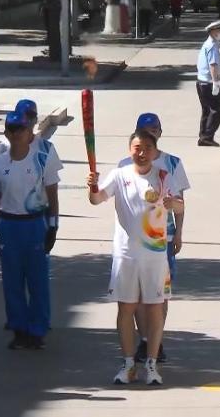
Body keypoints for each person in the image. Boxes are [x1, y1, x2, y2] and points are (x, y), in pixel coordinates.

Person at [87, 130, 184, 386]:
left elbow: (180, 205)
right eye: (137, 147)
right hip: (126, 255)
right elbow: (97, 200)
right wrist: (92, 185)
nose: (142, 153)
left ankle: (151, 365)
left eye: (147, 148)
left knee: (154, 310)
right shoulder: (120, 175)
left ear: (155, 151)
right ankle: (129, 364)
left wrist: (173, 203)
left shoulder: (164, 176)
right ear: (130, 148)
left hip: (155, 256)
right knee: (126, 308)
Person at [0, 111, 62, 350]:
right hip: (9, 225)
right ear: (7, 133)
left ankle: (37, 330)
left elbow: (52, 195)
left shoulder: (42, 158)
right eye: (13, 129)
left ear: (30, 132)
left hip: (35, 224)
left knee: (38, 280)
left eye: (22, 129)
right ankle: (19, 329)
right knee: (12, 282)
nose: (18, 134)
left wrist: (53, 226)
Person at [118, 113, 190, 364]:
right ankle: (144, 339)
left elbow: (180, 201)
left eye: (154, 130)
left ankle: (156, 341)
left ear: (160, 132)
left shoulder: (172, 163)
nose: (150, 133)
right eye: (145, 130)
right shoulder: (124, 165)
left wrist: (179, 232)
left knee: (160, 294)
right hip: (134, 241)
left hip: (163, 238)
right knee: (136, 295)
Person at [196, 20, 220, 147]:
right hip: (208, 83)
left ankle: (203, 136)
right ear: (212, 32)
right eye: (219, 31)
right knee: (217, 110)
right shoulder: (212, 46)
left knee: (207, 110)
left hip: (201, 82)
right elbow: (212, 65)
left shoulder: (207, 44)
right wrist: (216, 82)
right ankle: (207, 137)